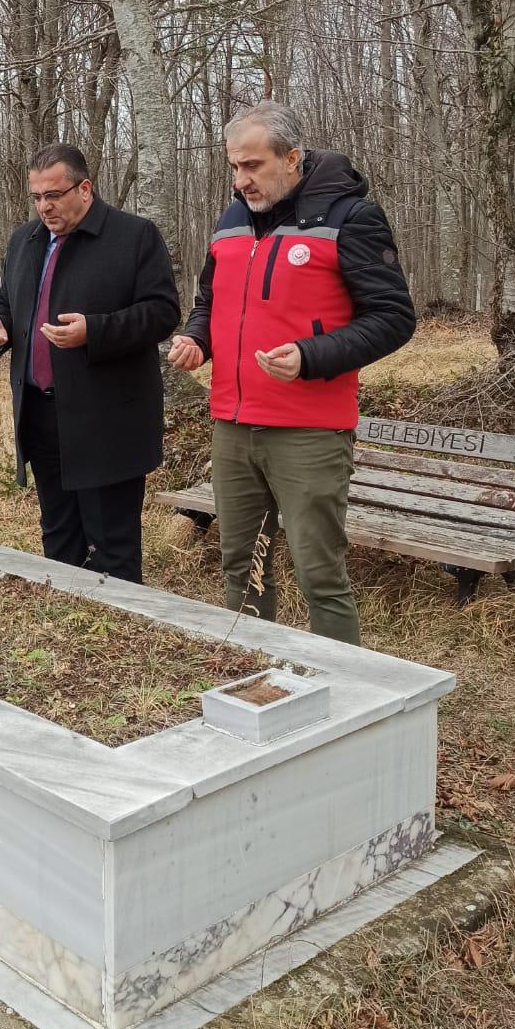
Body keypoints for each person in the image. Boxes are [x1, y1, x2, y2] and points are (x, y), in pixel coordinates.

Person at [168, 101, 415, 643]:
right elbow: (211, 300)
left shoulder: (352, 217)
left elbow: (395, 318)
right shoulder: (231, 219)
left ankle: (345, 699)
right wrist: (195, 338)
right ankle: (255, 675)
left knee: (318, 573)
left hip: (309, 429)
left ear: (292, 158)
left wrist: (311, 355)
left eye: (253, 166)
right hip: (233, 424)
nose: (241, 180)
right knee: (241, 565)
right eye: (234, 166)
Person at [0, 143, 180, 583]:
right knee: (59, 535)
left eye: (53, 194)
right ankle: (68, 629)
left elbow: (163, 312)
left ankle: (122, 629)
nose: (44, 206)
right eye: (36, 197)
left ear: (85, 188)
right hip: (39, 413)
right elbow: (9, 303)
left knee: (112, 543)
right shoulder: (24, 241)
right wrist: (0, 329)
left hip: (107, 417)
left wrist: (95, 330)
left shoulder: (133, 237)